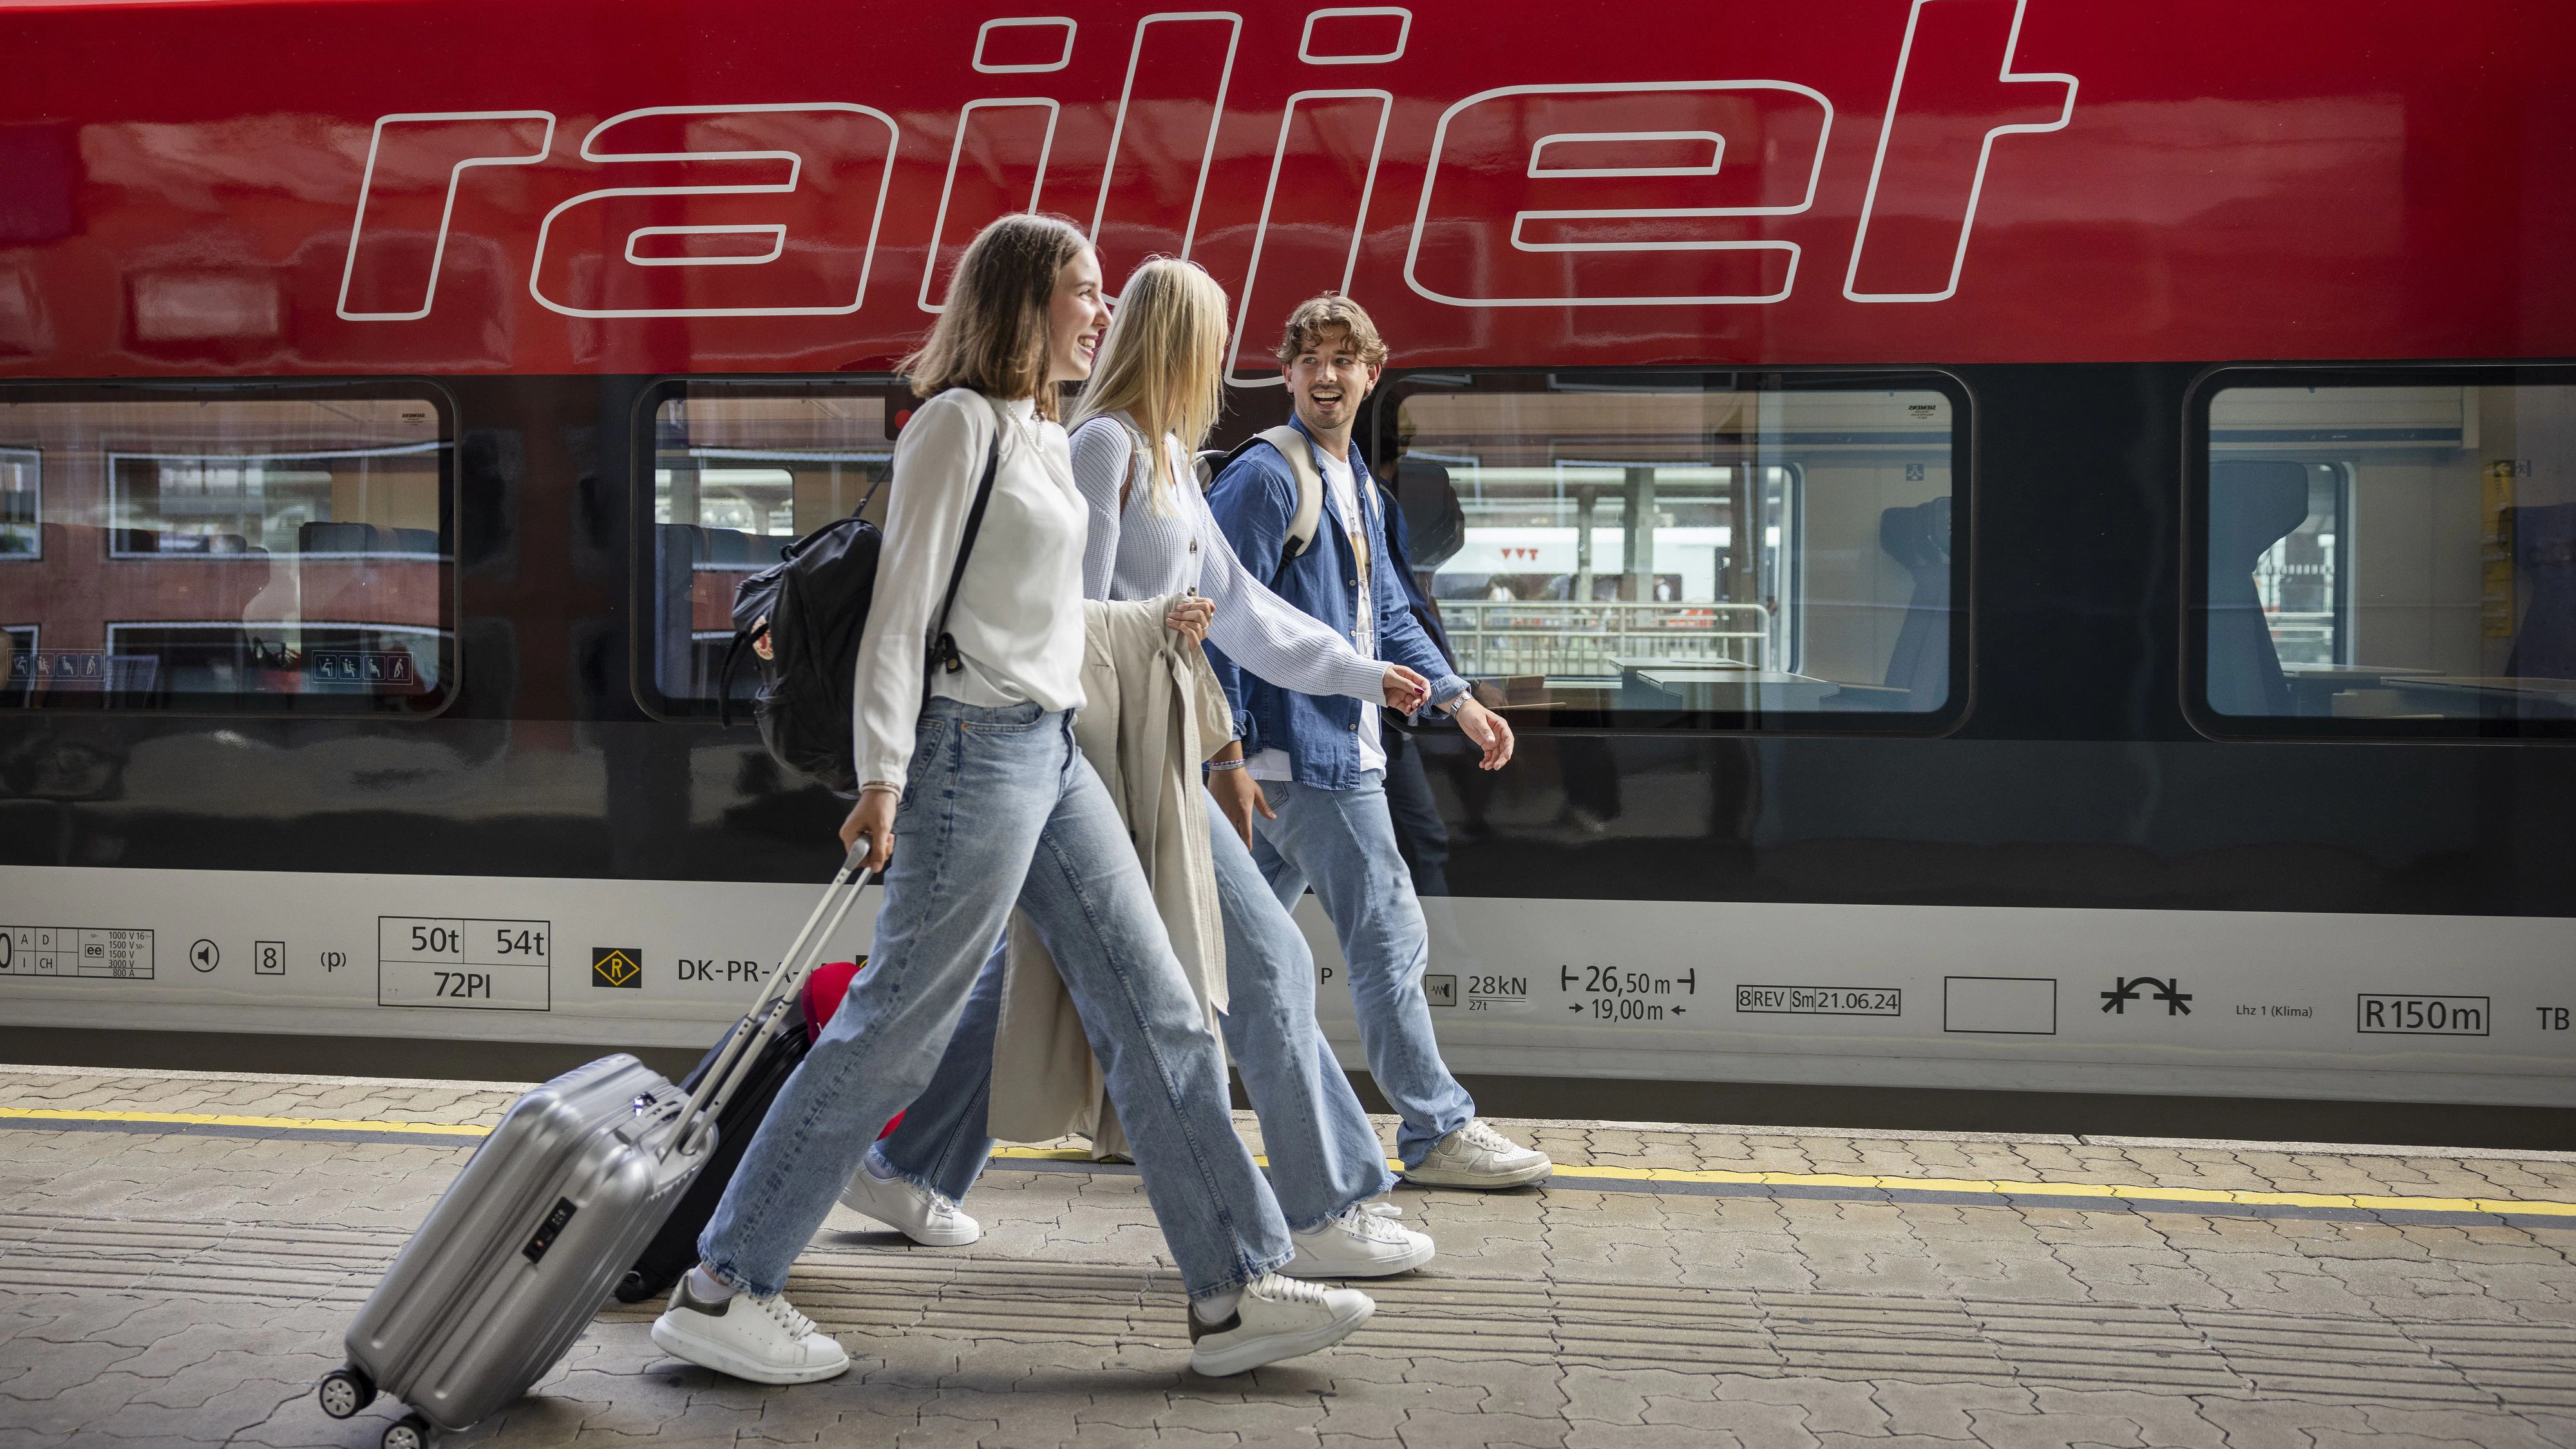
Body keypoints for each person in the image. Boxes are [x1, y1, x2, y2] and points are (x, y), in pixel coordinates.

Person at [650, 215, 1373, 1387]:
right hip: (968, 754)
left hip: (1050, 747)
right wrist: (882, 775)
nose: (1101, 313)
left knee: (1163, 1008)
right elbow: (903, 616)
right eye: (1083, 293)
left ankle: (1236, 1288)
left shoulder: (1045, 433)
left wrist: (1152, 625)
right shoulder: (955, 427)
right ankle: (726, 1282)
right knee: (898, 1026)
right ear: (1022, 302)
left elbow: (1045, 619)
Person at [842, 258, 1440, 1279]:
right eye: (1212, 335)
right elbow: (1058, 626)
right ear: (1180, 341)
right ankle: (1323, 1206)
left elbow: (1241, 609)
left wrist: (1357, 671)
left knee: (1028, 975)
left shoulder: (1173, 460)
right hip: (1099, 757)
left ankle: (907, 1164)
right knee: (1268, 963)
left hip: (1144, 751)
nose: (1224, 357)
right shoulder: (1105, 449)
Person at [1204, 293, 1553, 1190]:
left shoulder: (1354, 481)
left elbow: (1387, 611)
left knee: (1224, 946)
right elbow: (1222, 619)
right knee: (1389, 931)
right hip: (1300, 754)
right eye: (1309, 359)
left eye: (1343, 359)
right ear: (1285, 375)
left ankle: (1144, 1102)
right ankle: (1436, 1126)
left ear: (1373, 371)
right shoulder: (1268, 478)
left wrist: (1458, 699)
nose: (1326, 376)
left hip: (1325, 747)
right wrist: (1228, 754)